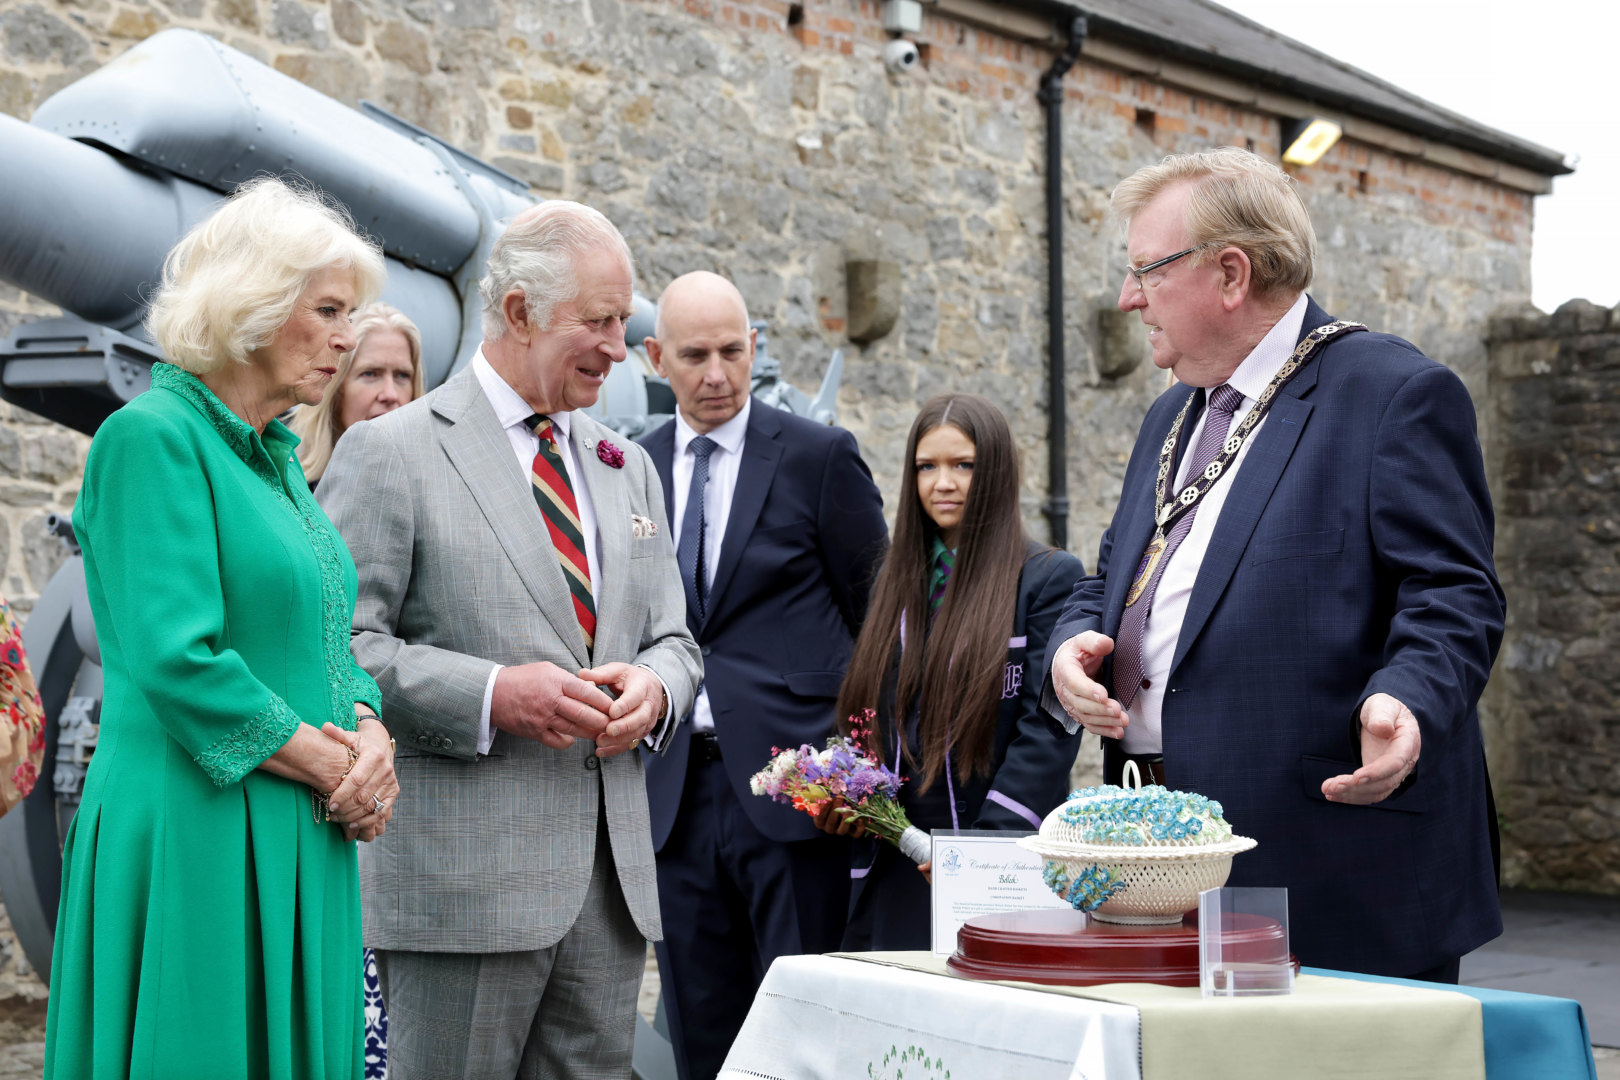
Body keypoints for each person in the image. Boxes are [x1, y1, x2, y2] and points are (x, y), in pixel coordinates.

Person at [1043, 147, 1504, 981]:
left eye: (1145, 269)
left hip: (1331, 869)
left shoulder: (1390, 392)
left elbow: (1454, 593)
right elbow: (1112, 576)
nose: (1127, 297)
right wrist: (1074, 643)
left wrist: (1408, 695)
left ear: (1230, 273)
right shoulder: (1169, 419)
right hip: (1156, 864)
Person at [318, 200, 703, 1080]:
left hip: (608, 900)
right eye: (599, 321)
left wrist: (656, 690)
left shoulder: (626, 461)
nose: (619, 345)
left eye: (622, 319)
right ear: (521, 311)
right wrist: (494, 695)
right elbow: (339, 648)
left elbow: (676, 639)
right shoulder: (392, 451)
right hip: (460, 895)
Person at [44, 177, 400, 1078]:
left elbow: (326, 634)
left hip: (299, 824)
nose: (348, 337)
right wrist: (335, 768)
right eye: (327, 309)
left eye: (349, 313)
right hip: (194, 823)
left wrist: (368, 730)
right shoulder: (152, 437)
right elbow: (180, 659)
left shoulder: (277, 459)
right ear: (254, 302)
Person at [636, 271, 888, 1080]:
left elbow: (880, 619)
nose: (717, 374)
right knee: (698, 1031)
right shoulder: (629, 468)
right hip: (670, 795)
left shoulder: (819, 458)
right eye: (695, 355)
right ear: (654, 359)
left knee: (805, 1035)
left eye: (732, 352)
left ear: (754, 349)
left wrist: (863, 773)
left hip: (791, 795)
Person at [821, 393, 1085, 951]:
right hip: (898, 862)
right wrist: (847, 797)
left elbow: (1048, 729)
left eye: (963, 465)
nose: (943, 482)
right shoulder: (892, 580)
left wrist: (983, 854)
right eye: (927, 466)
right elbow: (866, 711)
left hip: (993, 858)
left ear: (995, 471)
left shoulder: (1046, 578)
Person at [291, 301, 424, 486]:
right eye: (370, 374)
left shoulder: (434, 490)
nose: (390, 394)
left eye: (402, 376)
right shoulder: (289, 486)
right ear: (335, 388)